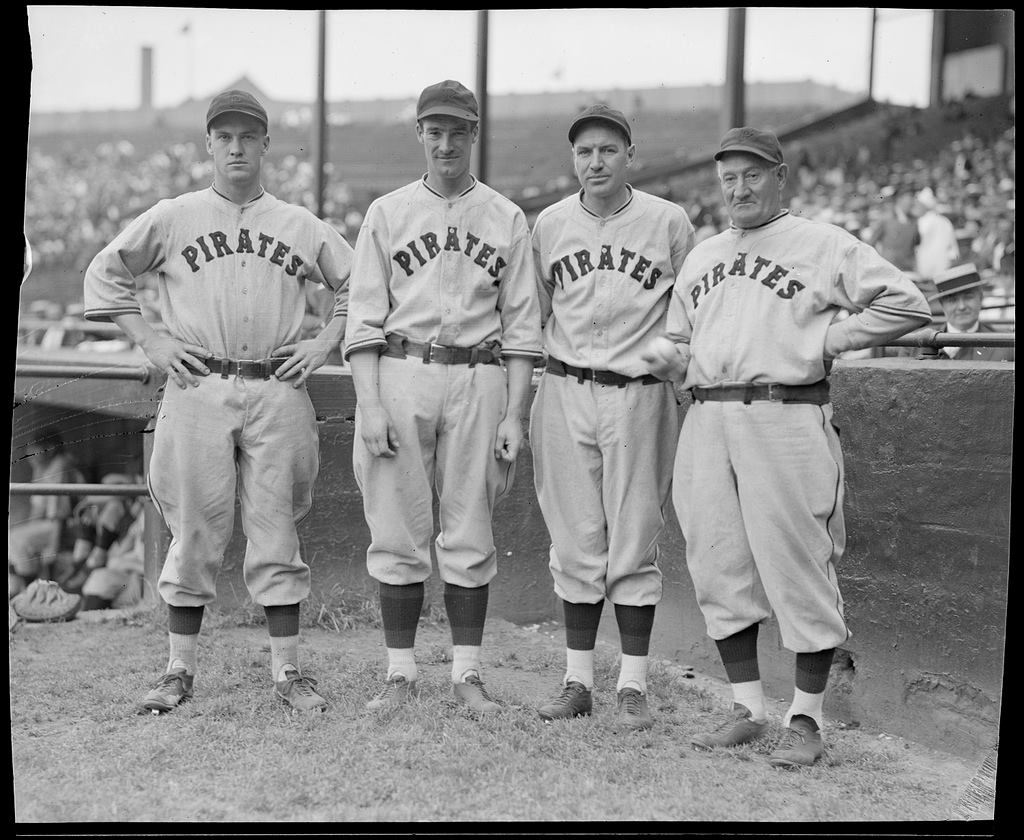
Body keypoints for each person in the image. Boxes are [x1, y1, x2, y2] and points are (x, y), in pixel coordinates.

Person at [643, 127, 932, 767]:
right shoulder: (703, 255)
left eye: (752, 175)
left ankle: (806, 721)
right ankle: (747, 709)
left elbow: (908, 305)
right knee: (717, 563)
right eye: (728, 179)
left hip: (786, 412)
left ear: (780, 177)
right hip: (709, 418)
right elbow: (681, 339)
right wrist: (671, 358)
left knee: (799, 564)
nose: (739, 189)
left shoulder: (822, 242)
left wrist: (830, 339)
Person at [83, 89, 355, 714]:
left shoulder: (297, 223)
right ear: (209, 143)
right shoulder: (175, 215)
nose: (236, 147)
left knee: (277, 529)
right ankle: (179, 670)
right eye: (224, 136)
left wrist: (325, 341)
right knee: (195, 528)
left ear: (265, 144)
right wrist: (149, 339)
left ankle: (287, 672)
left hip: (277, 385)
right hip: (198, 385)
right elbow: (105, 271)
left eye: (248, 136)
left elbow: (359, 284)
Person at [343, 80, 542, 715]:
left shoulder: (506, 216)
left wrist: (516, 411)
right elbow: (364, 322)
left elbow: (523, 331)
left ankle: (466, 673)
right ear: (420, 135)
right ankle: (400, 674)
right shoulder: (388, 212)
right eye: (435, 131)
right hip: (403, 371)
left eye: (458, 131)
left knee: (471, 525)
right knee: (397, 525)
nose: (446, 142)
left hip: (481, 376)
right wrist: (370, 404)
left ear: (474, 135)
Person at [529, 104, 695, 731]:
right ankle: (576, 682)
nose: (594, 162)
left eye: (606, 149)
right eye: (583, 152)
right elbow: (532, 313)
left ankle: (631, 684)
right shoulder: (549, 224)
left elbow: (690, 311)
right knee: (573, 539)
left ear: (631, 153)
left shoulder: (666, 221)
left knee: (632, 540)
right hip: (566, 386)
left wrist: (674, 360)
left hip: (639, 394)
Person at [8, 427, 84, 595]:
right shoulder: (43, 467)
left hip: (69, 526)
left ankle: (29, 590)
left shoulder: (61, 463)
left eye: (36, 450)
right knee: (14, 537)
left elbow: (60, 512)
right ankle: (25, 588)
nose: (31, 455)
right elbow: (37, 509)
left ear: (50, 448)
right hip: (50, 524)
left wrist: (52, 546)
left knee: (17, 539)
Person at [919, 263, 1014, 362]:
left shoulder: (1006, 345)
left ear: (981, 298)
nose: (962, 306)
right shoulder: (916, 345)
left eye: (968, 297)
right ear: (942, 304)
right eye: (952, 300)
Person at [868, 186, 920, 273]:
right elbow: (871, 243)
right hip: (889, 270)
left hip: (908, 270)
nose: (912, 202)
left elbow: (916, 243)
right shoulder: (886, 219)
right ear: (900, 199)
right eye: (909, 198)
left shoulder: (914, 221)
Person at [914, 187, 960, 283]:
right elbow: (954, 253)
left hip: (925, 273)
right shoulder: (945, 221)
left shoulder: (920, 222)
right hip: (944, 272)